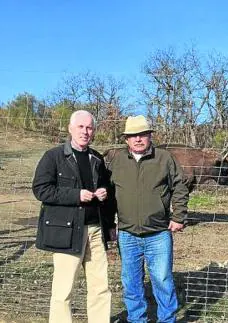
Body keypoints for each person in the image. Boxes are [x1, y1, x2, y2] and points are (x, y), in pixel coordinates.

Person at [32, 110, 116, 323]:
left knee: (100, 287)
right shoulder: (54, 156)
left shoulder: (97, 158)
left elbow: (107, 190)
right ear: (70, 128)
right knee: (63, 290)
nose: (85, 132)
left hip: (96, 230)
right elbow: (41, 189)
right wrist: (76, 195)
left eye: (89, 128)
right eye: (80, 127)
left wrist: (104, 194)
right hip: (68, 231)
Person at [107, 115, 189, 323]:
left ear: (150, 136)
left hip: (159, 233)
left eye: (142, 134)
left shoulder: (164, 158)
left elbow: (180, 185)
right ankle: (137, 319)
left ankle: (167, 319)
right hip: (127, 233)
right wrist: (110, 224)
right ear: (126, 139)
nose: (138, 139)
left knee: (162, 280)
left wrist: (178, 216)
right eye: (133, 136)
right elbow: (108, 194)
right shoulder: (117, 160)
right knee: (131, 281)